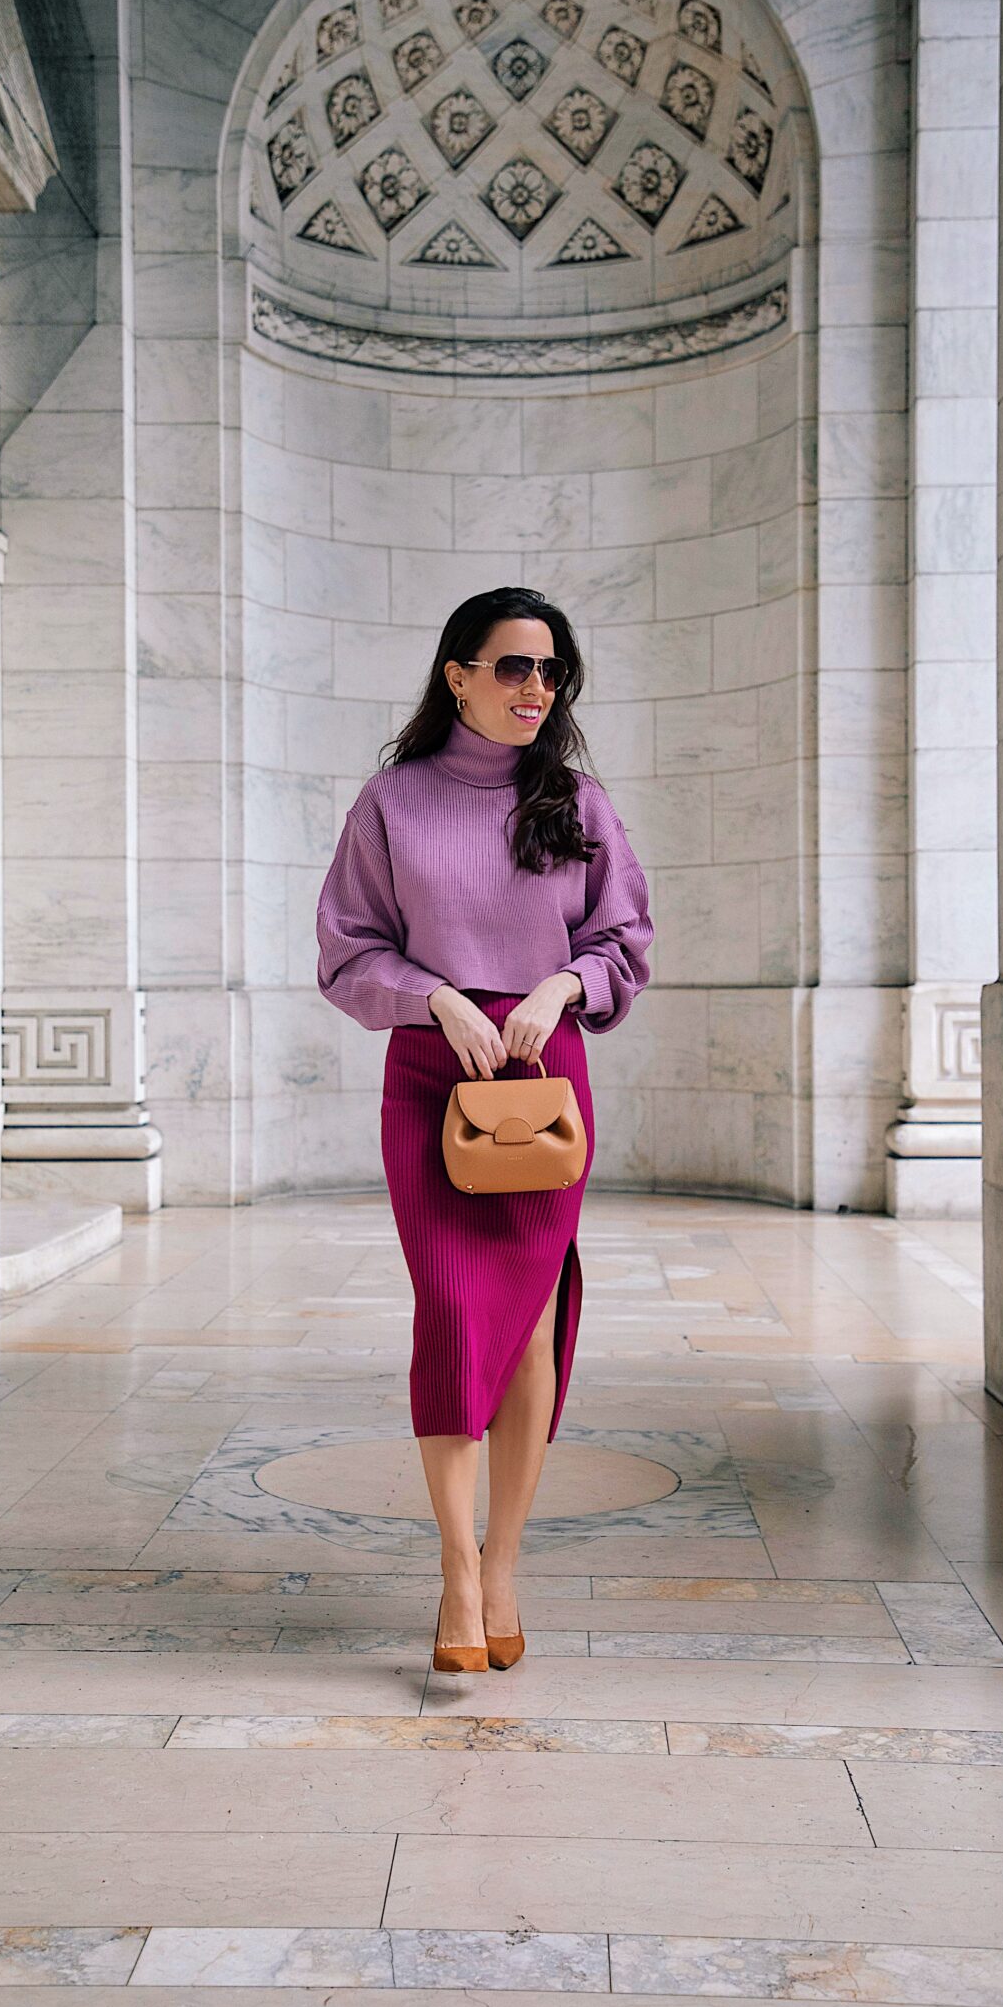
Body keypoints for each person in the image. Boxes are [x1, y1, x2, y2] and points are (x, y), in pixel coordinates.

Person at [314, 588, 653, 1672]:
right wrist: (436, 997)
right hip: (432, 1078)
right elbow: (348, 952)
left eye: (550, 670)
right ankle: (457, 1571)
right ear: (456, 672)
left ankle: (503, 1562)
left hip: (546, 1079)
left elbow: (626, 938)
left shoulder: (578, 802)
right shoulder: (392, 801)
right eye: (511, 666)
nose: (535, 689)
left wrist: (560, 986)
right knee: (458, 1315)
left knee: (533, 1326)